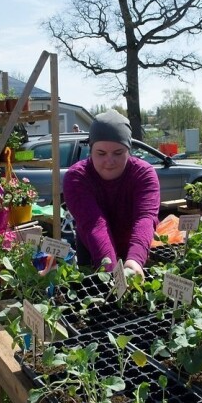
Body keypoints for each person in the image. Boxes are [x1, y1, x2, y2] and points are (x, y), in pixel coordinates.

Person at [63, 109, 159, 280]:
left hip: (134, 250)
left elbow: (145, 218)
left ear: (129, 150)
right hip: (93, 252)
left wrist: (135, 261)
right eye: (101, 153)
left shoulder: (144, 174)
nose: (109, 161)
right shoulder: (77, 177)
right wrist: (110, 271)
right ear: (90, 150)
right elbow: (94, 225)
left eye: (118, 153)